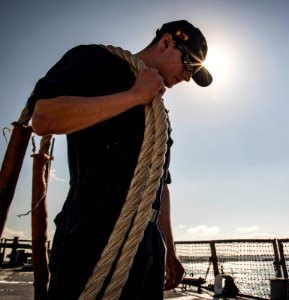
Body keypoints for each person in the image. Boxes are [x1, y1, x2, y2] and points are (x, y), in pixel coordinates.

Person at [28, 20, 213, 299]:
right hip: (91, 230)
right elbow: (44, 118)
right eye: (189, 66)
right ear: (166, 43)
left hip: (147, 242)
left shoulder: (160, 114)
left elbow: (159, 186)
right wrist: (135, 96)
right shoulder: (96, 60)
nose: (188, 77)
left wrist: (168, 249)